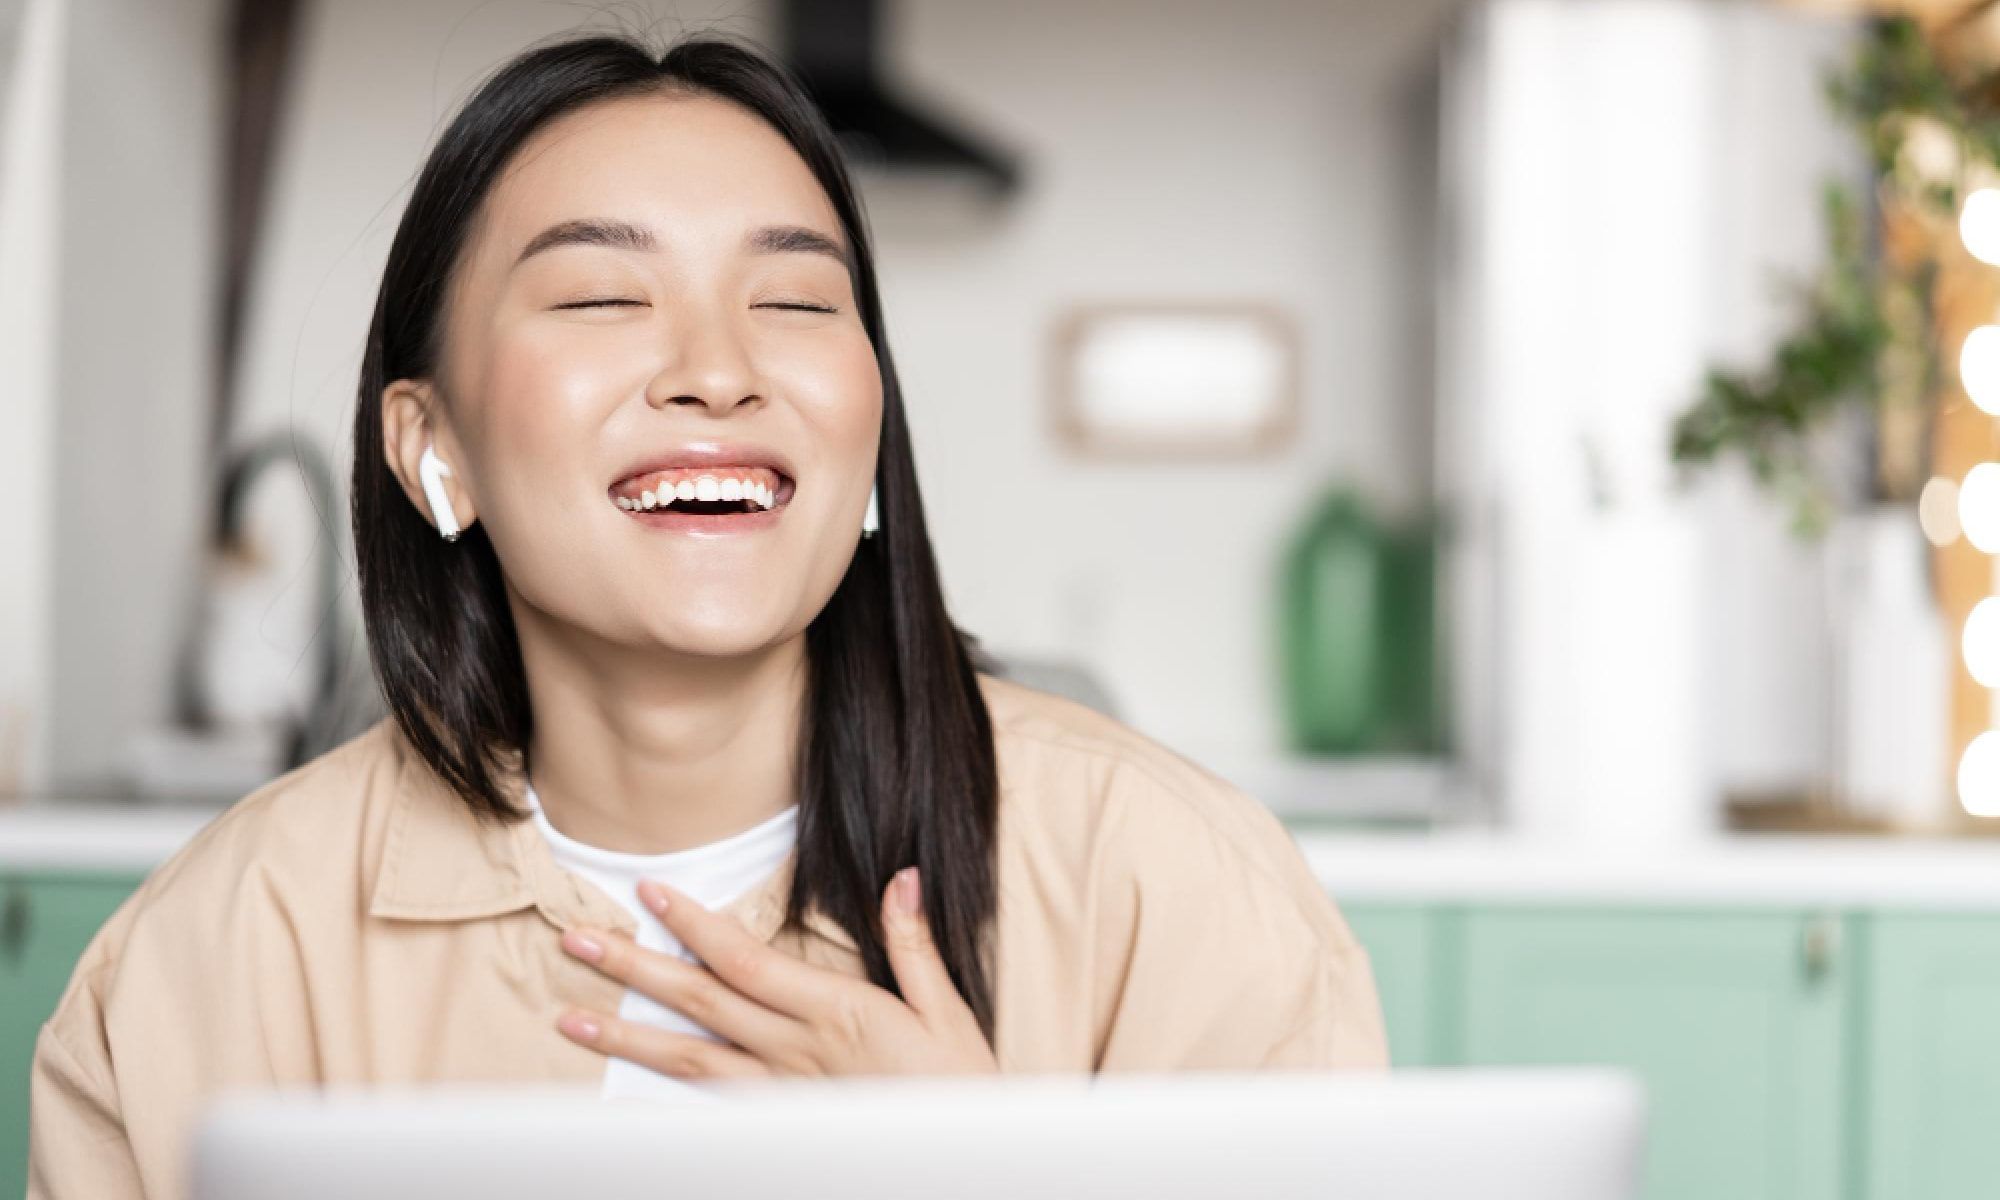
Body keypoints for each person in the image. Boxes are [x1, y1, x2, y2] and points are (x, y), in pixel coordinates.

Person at [26, 30, 1386, 1200]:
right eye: (603, 296)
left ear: (865, 446)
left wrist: (994, 1175)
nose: (720, 370)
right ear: (432, 447)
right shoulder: (211, 957)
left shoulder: (1182, 891)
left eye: (795, 300)